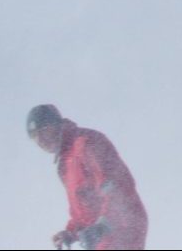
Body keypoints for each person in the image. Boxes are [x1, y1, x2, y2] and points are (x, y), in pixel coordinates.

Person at [27, 104, 148, 250]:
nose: (42, 141)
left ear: (58, 125)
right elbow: (84, 209)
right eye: (35, 137)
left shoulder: (86, 143)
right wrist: (71, 232)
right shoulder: (66, 161)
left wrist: (103, 225)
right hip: (103, 235)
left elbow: (117, 187)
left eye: (45, 132)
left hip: (122, 227)